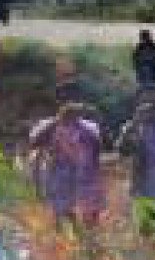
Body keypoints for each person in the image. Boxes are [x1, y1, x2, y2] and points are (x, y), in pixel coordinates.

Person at [29, 80, 105, 228]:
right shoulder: (47, 124)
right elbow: (35, 143)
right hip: (60, 183)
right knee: (65, 226)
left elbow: (97, 152)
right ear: (58, 101)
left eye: (74, 98)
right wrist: (59, 120)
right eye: (65, 98)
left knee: (91, 227)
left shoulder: (90, 125)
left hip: (86, 183)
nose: (70, 102)